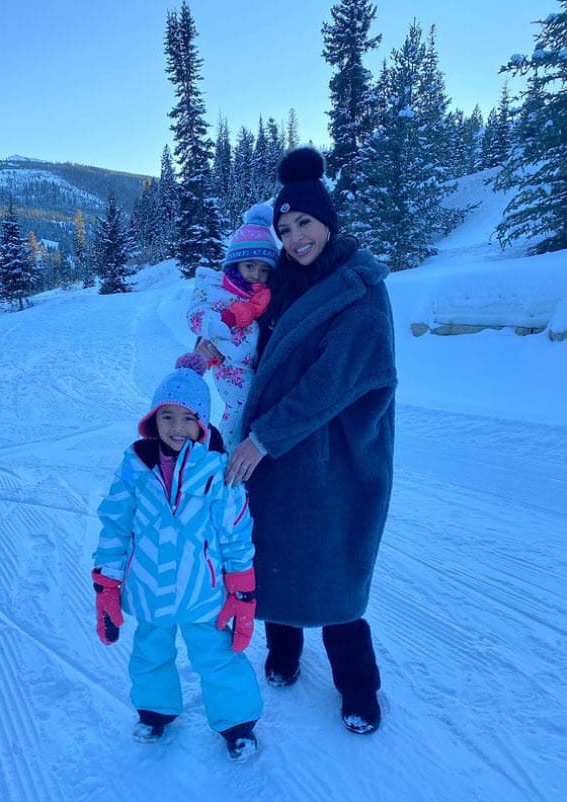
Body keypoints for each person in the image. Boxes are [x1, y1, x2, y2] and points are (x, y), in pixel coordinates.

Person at [224, 147, 397, 735]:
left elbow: (333, 382)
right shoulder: (282, 282)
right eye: (285, 227)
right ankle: (284, 653)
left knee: (333, 570)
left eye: (304, 223)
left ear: (328, 220)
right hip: (276, 452)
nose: (296, 237)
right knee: (274, 557)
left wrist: (261, 440)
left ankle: (359, 687)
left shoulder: (360, 287)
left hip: (334, 456)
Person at [91, 352, 262, 760]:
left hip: (202, 591)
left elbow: (235, 531)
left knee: (218, 657)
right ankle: (155, 713)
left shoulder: (218, 471)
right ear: (153, 421)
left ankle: (237, 725)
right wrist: (107, 584)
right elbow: (115, 525)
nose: (177, 427)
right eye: (167, 417)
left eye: (187, 418)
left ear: (202, 424)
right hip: (149, 590)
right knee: (150, 654)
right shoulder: (134, 468)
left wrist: (241, 586)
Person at [187, 203, 279, 451]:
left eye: (264, 270)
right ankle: (225, 454)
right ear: (235, 264)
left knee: (248, 410)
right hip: (229, 364)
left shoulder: (261, 298)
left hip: (249, 365)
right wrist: (211, 329)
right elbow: (196, 316)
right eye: (250, 266)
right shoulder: (218, 290)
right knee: (239, 408)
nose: (256, 275)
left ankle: (228, 451)